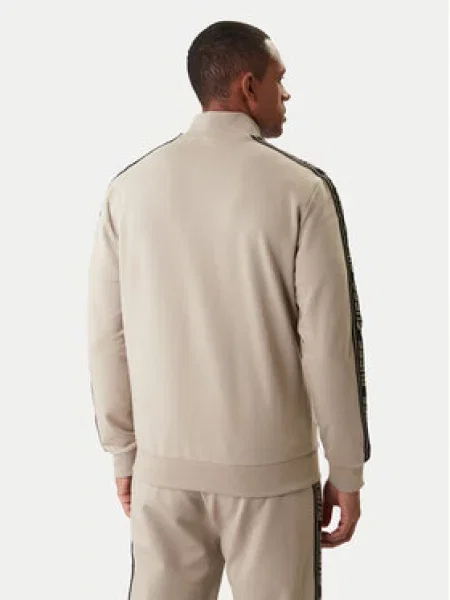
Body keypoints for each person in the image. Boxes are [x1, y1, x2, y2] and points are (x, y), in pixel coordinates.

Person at [87, 19, 371, 600]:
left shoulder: (129, 190)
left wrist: (124, 454)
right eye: (279, 79)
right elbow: (329, 344)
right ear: (248, 86)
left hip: (164, 474)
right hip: (273, 479)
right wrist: (346, 468)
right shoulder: (302, 190)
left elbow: (106, 337)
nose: (286, 93)